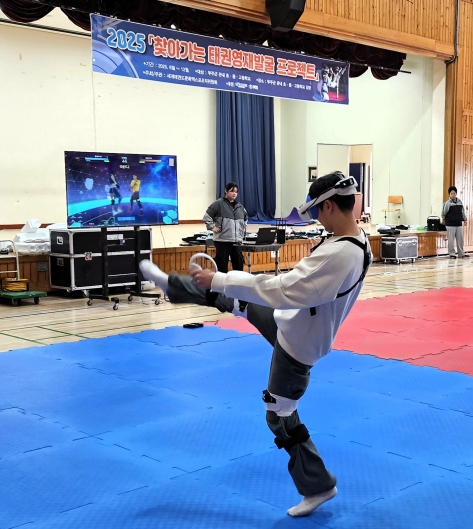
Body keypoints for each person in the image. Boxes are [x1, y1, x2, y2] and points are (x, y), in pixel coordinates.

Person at [140, 173, 371, 517]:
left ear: (329, 206)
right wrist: (221, 284)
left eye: (316, 212)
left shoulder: (341, 254)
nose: (316, 219)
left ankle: (318, 486)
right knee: (235, 299)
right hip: (289, 322)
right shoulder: (357, 238)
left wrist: (219, 277)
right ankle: (172, 286)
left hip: (298, 346)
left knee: (280, 418)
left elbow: (282, 290)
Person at [203, 183, 248, 273]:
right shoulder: (218, 204)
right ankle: (221, 282)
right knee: (222, 267)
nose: (234, 193)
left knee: (238, 265)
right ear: (226, 191)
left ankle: (237, 282)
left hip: (236, 241)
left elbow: (245, 219)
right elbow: (206, 217)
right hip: (222, 241)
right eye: (232, 191)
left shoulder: (240, 206)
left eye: (236, 192)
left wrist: (242, 231)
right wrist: (212, 227)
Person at [442, 186, 468, 258]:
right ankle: (452, 254)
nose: (453, 195)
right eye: (451, 193)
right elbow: (443, 213)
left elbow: (462, 212)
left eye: (454, 193)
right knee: (451, 240)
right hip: (450, 224)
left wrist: (465, 219)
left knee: (460, 240)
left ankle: (461, 253)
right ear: (449, 194)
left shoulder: (459, 202)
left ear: (456, 194)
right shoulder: (447, 203)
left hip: (459, 224)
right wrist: (444, 220)